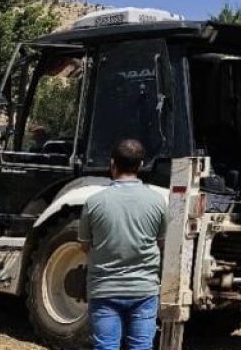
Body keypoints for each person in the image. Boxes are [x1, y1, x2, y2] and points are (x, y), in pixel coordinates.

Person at [79, 139, 166, 350]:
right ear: (141, 165)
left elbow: (84, 245)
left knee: (106, 346)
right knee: (141, 346)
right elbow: (161, 242)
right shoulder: (157, 201)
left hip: (104, 289)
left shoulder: (94, 202)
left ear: (112, 164)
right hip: (144, 290)